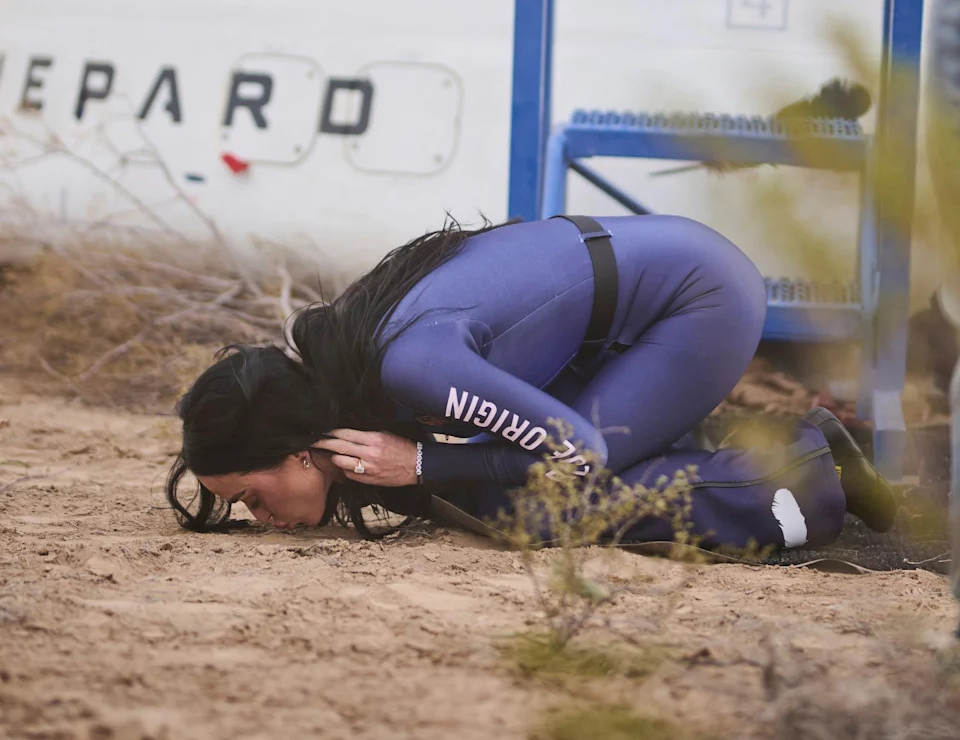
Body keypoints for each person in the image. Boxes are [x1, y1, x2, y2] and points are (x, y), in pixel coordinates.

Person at [166, 214, 897, 550]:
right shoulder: (362, 360)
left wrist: (423, 462)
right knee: (491, 487)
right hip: (642, 297)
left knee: (545, 511)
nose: (259, 518)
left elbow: (580, 449)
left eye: (252, 499)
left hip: (697, 302)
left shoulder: (404, 365)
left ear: (298, 451)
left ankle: (802, 478)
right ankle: (773, 444)